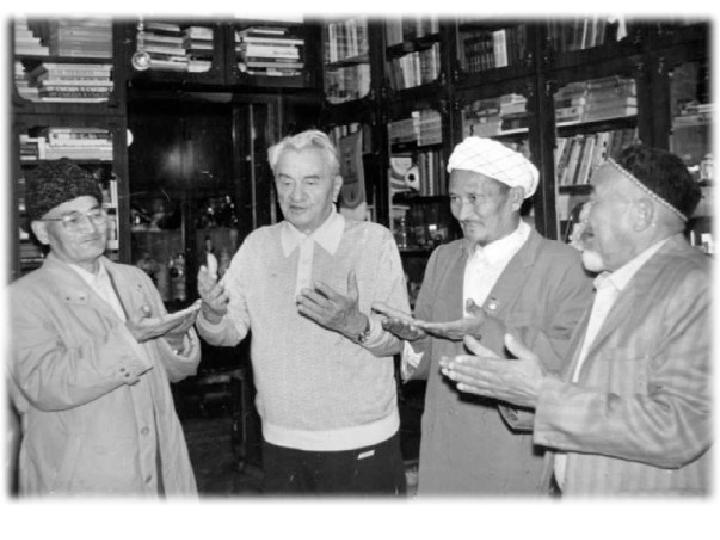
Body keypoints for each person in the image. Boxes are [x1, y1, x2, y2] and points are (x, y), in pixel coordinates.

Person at [440, 145, 710, 496]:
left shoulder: (698, 286)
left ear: (642, 215)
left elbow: (679, 429)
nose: (582, 215)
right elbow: (586, 395)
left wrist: (542, 393)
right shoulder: (610, 285)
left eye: (595, 201)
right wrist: (515, 389)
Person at [195, 129, 409, 494]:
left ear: (335, 187)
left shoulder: (373, 242)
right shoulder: (258, 246)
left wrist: (354, 324)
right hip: (281, 441)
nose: (296, 196)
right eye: (286, 181)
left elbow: (400, 341)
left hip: (362, 439)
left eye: (311, 182)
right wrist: (213, 313)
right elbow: (228, 332)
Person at [375, 136, 593, 494]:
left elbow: (566, 366)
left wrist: (487, 330)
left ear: (515, 198)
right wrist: (413, 339)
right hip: (443, 451)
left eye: (475, 198)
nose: (462, 213)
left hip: (511, 456)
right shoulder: (444, 259)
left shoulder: (563, 265)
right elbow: (427, 363)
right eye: (455, 199)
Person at [8, 159, 200, 497]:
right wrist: (129, 340)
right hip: (82, 483)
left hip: (159, 468)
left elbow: (172, 373)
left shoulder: (134, 279)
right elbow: (44, 384)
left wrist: (175, 338)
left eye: (96, 214)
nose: (91, 227)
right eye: (72, 219)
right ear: (41, 232)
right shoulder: (22, 299)